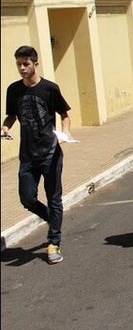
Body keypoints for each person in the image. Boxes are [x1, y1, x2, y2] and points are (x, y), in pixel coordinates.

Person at [2, 46, 71, 264]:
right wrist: (5, 127)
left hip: (50, 153)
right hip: (28, 155)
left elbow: (64, 114)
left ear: (35, 64)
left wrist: (66, 131)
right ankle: (53, 220)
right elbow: (11, 115)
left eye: (26, 64)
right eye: (19, 64)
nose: (22, 68)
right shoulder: (13, 90)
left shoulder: (49, 89)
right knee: (28, 198)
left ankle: (53, 243)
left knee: (54, 198)